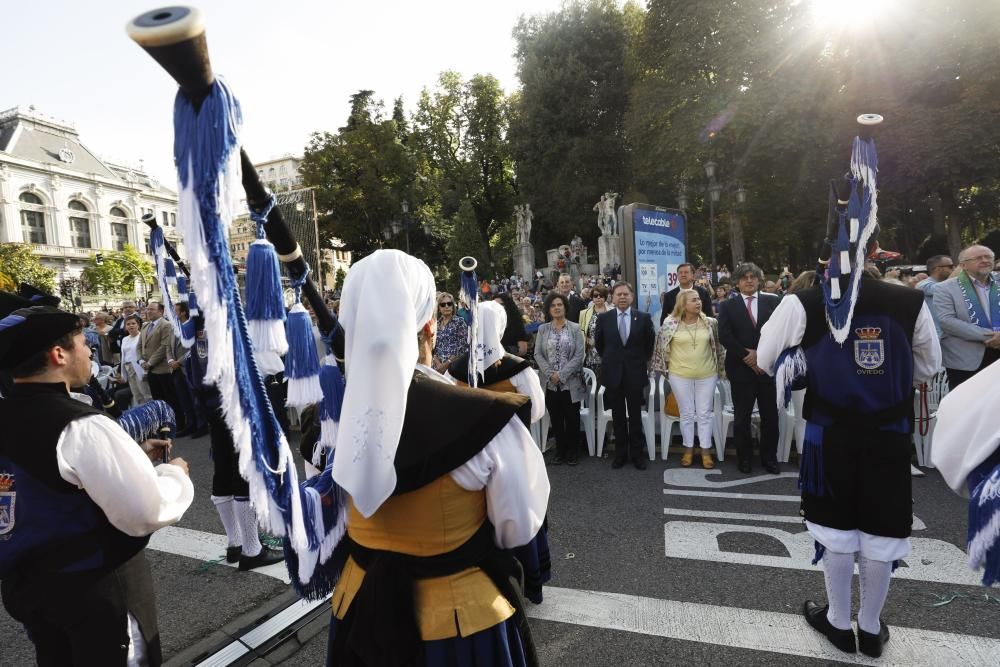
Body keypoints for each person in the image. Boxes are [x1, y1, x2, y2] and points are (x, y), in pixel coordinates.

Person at [758, 123, 942, 659]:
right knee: (882, 531)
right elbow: (927, 368)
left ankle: (840, 622)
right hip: (888, 432)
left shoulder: (804, 302)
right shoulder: (910, 302)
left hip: (830, 433)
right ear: (876, 247)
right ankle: (871, 626)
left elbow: (768, 360)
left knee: (836, 529)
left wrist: (813, 364)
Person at [326, 249, 549, 665]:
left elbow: (330, 522)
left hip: (357, 608)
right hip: (459, 625)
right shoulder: (481, 418)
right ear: (429, 324)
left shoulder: (327, 421)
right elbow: (518, 526)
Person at [0, 304, 193, 666]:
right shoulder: (79, 424)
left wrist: (131, 459)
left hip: (27, 585)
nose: (89, 350)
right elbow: (144, 512)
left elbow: (46, 483)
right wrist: (174, 475)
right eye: (80, 343)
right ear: (58, 355)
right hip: (92, 586)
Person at [717, 262, 781, 474]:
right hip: (741, 369)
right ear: (737, 282)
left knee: (770, 417)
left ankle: (769, 458)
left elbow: (780, 333)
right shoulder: (727, 306)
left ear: (759, 280)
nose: (749, 280)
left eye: (753, 277)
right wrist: (748, 356)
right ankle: (744, 459)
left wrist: (761, 356)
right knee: (741, 418)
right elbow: (725, 336)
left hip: (767, 369)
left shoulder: (774, 302)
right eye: (744, 277)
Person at [651, 289, 725, 468]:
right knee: (686, 413)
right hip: (679, 375)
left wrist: (721, 370)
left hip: (707, 374)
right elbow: (660, 348)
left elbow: (719, 347)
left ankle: (706, 450)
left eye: (699, 299)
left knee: (704, 413)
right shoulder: (669, 323)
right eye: (693, 300)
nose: (698, 302)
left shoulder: (710, 322)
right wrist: (664, 370)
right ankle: (688, 449)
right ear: (683, 304)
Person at [595, 282, 656, 470]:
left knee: (636, 416)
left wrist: (637, 361)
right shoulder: (604, 318)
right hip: (613, 374)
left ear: (632, 296)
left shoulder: (643, 318)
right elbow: (600, 344)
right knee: (618, 416)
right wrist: (613, 359)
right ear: (612, 297)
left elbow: (649, 344)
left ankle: (637, 454)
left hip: (635, 373)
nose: (622, 297)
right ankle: (620, 454)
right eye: (618, 294)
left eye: (625, 294)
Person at [934, 244, 999, 388]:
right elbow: (947, 321)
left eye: (988, 257)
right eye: (978, 258)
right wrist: (991, 336)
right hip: (965, 360)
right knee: (967, 407)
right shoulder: (944, 289)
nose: (984, 260)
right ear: (963, 265)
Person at [534, 292, 587, 465]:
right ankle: (560, 451)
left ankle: (573, 452)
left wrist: (562, 375)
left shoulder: (574, 328)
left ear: (565, 307)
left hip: (570, 382)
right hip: (550, 383)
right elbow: (537, 354)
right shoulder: (543, 329)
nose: (556, 308)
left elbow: (579, 355)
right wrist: (551, 374)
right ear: (548, 309)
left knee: (572, 418)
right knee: (556, 419)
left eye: (559, 305)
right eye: (553, 305)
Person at [118, 314, 152, 406]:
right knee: (137, 394)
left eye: (133, 323)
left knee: (146, 393)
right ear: (125, 326)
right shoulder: (125, 339)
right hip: (129, 369)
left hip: (140, 367)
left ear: (138, 325)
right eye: (128, 324)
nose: (131, 325)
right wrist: (122, 373)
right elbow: (123, 356)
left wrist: (146, 370)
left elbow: (146, 354)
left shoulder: (142, 337)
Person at [432, 291, 469, 373]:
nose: (446, 306)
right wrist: (438, 364)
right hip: (436, 367)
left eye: (449, 304)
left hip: (454, 367)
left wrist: (446, 364)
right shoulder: (436, 324)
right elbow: (433, 348)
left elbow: (462, 347)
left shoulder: (460, 322)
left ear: (453, 306)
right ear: (439, 308)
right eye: (443, 304)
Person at [579, 284, 610, 381]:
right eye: (595, 295)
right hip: (591, 356)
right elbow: (581, 333)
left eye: (601, 295)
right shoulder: (584, 313)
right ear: (592, 297)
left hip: (608, 356)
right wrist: (588, 341)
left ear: (605, 297)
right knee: (591, 386)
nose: (598, 297)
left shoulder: (612, 312)